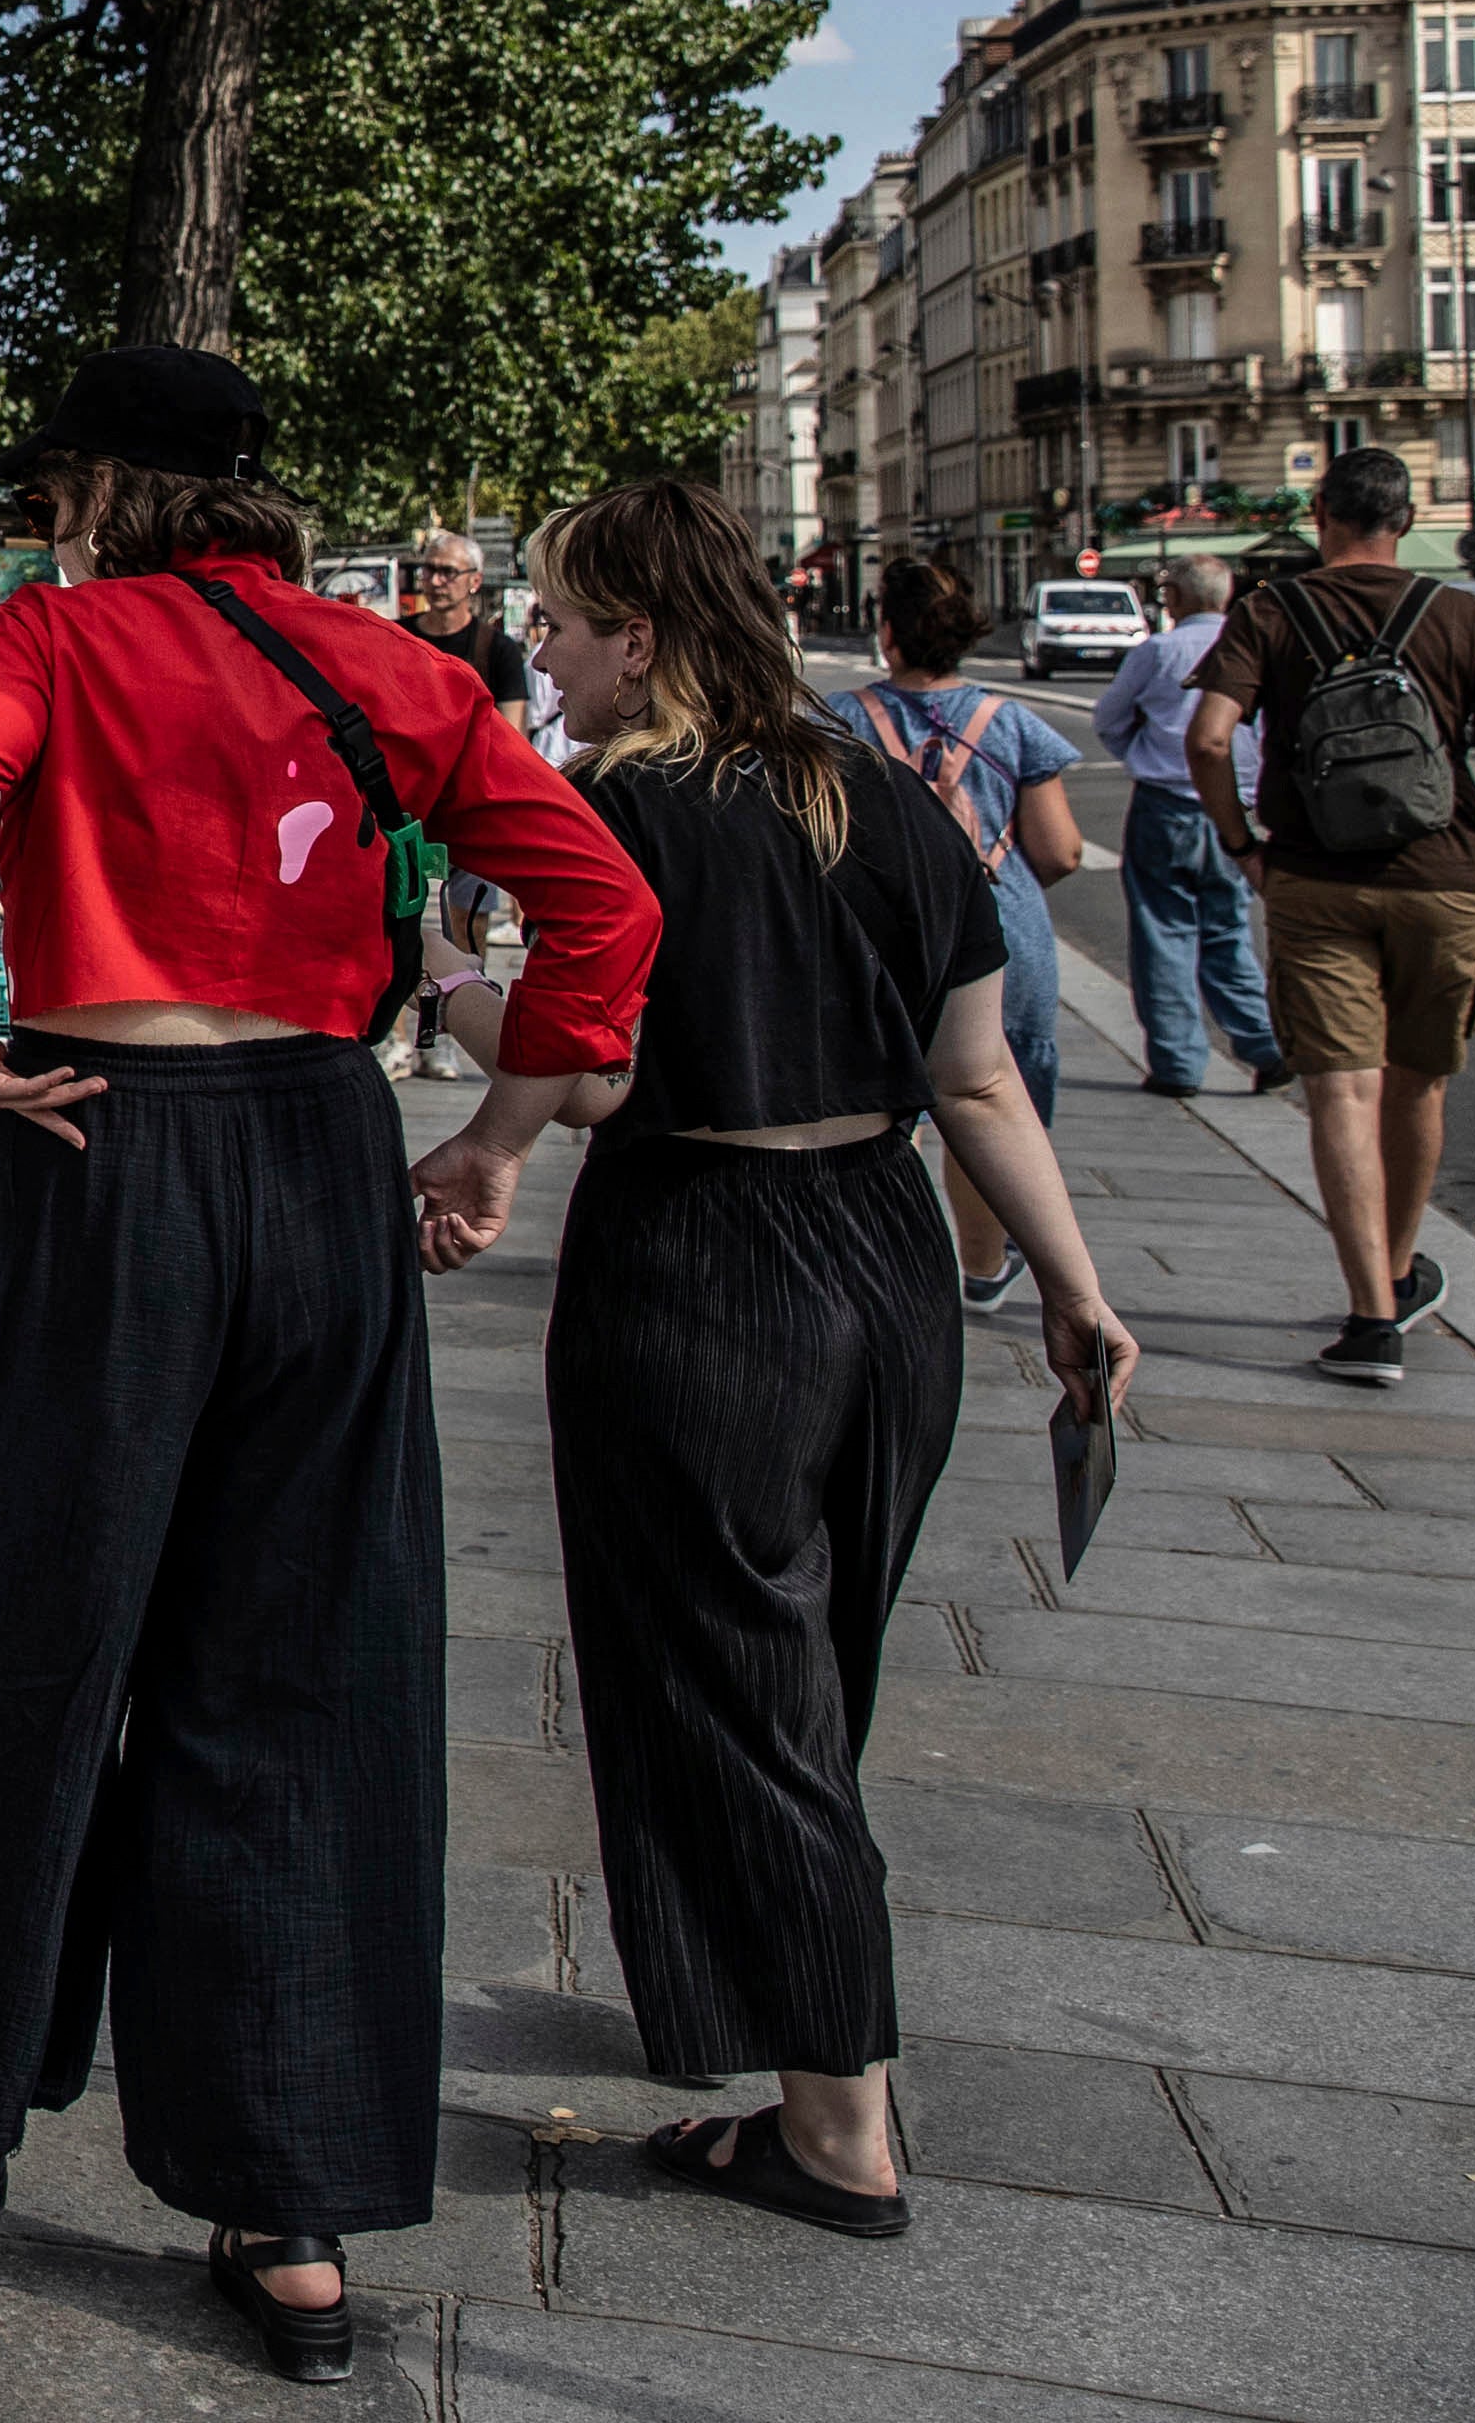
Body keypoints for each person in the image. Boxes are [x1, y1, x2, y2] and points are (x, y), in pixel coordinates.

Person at [0, 346, 657, 2387]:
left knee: (39, 1623)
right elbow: (598, 901)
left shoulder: (55, 631)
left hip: (103, 1140)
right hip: (317, 1148)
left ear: (105, 485)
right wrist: (497, 1138)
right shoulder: (399, 665)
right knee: (308, 1658)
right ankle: (286, 2206)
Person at [408, 480, 1130, 2248]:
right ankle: (761, 2016)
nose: (549, 657)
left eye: (565, 625)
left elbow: (589, 1071)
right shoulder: (883, 797)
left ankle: (835, 2120)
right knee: (814, 1668)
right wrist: (1072, 1285)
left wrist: (443, 988)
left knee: (737, 1686)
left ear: (640, 640)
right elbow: (977, 1079)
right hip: (883, 1249)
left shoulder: (620, 812)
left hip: (702, 1255)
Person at [1183, 450, 1475, 1385]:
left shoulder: (1271, 611)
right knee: (1419, 1085)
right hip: (1443, 877)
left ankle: (1371, 1321)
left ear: (1321, 512)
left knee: (1341, 1093)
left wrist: (1244, 847)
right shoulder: (1464, 614)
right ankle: (1400, 1271)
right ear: (1405, 517)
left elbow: (1205, 739)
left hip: (1313, 879)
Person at [834, 564, 1085, 1312]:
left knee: (878, 1108)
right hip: (1002, 937)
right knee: (987, 1100)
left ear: (888, 634)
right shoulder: (1011, 725)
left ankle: (882, 1258)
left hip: (877, 943)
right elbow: (1062, 851)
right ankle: (981, 1265)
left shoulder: (840, 719)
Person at [1089, 561, 1279, 1099]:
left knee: (1164, 933)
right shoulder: (1257, 647)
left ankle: (1178, 1063)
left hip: (1165, 804)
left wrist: (1142, 756)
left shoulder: (1157, 652)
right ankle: (1264, 1043)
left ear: (1175, 597)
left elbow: (1110, 719)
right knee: (1228, 929)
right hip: (1233, 807)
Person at [394, 532, 536, 1080]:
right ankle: (400, 1038)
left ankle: (446, 1037)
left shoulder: (495, 649)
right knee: (397, 923)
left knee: (465, 929)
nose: (434, 580)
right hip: (407, 810)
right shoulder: (399, 638)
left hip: (469, 810)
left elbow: (512, 731)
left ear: (474, 582)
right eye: (428, 570)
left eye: (447, 571)